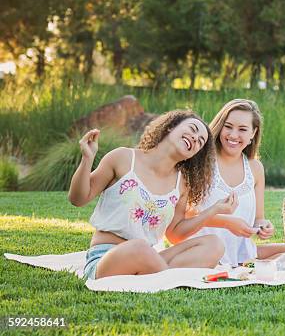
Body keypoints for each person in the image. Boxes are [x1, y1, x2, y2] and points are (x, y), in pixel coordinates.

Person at [69, 110, 238, 280]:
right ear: (171, 127)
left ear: (194, 154)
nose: (195, 138)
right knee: (139, 248)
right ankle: (165, 279)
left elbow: (175, 234)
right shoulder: (123, 158)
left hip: (150, 258)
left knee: (214, 245)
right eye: (192, 129)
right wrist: (87, 159)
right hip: (106, 259)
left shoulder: (181, 183)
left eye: (200, 142)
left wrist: (213, 210)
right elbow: (78, 199)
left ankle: (157, 276)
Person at [191, 99, 285, 266]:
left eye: (242, 129)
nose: (233, 135)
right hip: (205, 249)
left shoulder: (255, 168)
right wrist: (227, 222)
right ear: (220, 126)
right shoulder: (201, 161)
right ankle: (251, 265)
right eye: (228, 126)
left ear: (253, 133)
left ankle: (250, 264)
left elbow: (258, 219)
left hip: (242, 252)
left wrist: (264, 226)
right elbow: (186, 216)